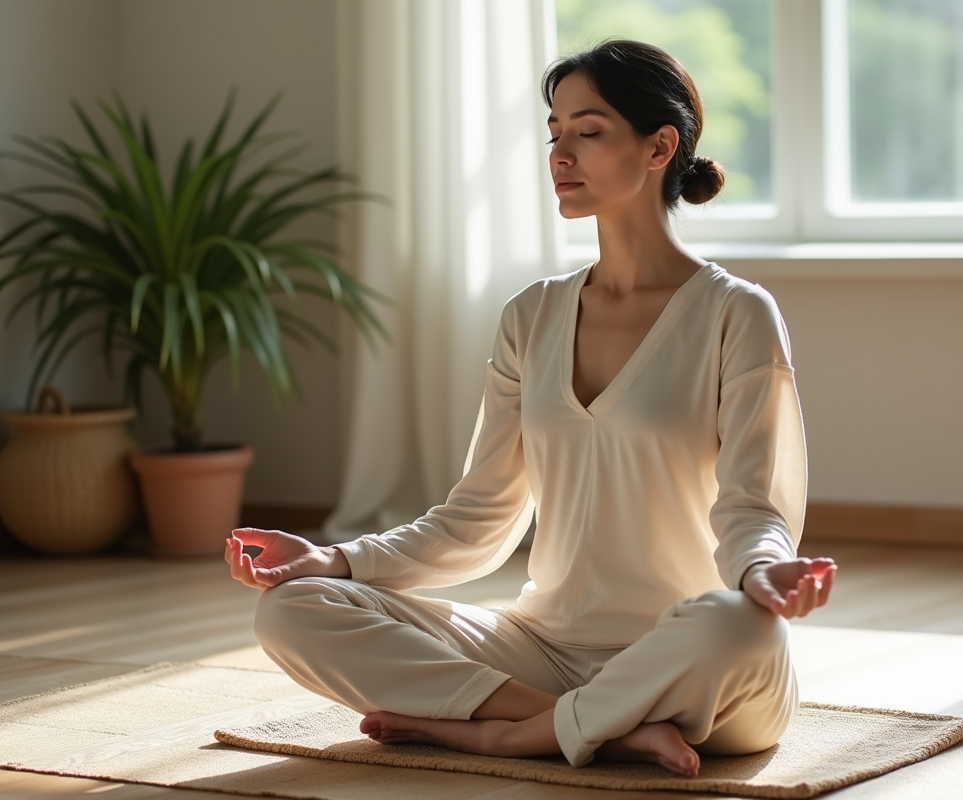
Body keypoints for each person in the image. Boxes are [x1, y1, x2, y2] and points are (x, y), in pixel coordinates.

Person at [226, 39, 837, 778]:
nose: (561, 154)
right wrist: (338, 558)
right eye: (555, 133)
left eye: (588, 130)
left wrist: (764, 572)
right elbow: (477, 518)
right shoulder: (531, 316)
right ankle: (588, 728)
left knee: (741, 626)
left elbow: (753, 506)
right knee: (295, 609)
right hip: (542, 651)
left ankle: (500, 733)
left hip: (695, 666)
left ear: (659, 147)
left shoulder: (736, 313)